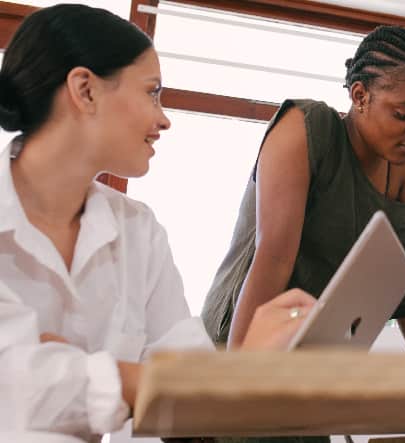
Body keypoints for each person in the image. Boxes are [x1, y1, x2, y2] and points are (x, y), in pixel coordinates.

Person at [0, 5, 315, 443]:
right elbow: (17, 384)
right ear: (85, 90)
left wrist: (240, 371)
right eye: (152, 92)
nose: (164, 118)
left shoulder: (138, 230)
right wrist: (139, 382)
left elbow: (192, 392)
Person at [201, 26, 405, 351]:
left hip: (316, 348)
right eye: (403, 113)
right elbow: (274, 258)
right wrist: (241, 369)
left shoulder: (403, 164)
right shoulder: (304, 127)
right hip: (239, 338)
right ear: (360, 96)